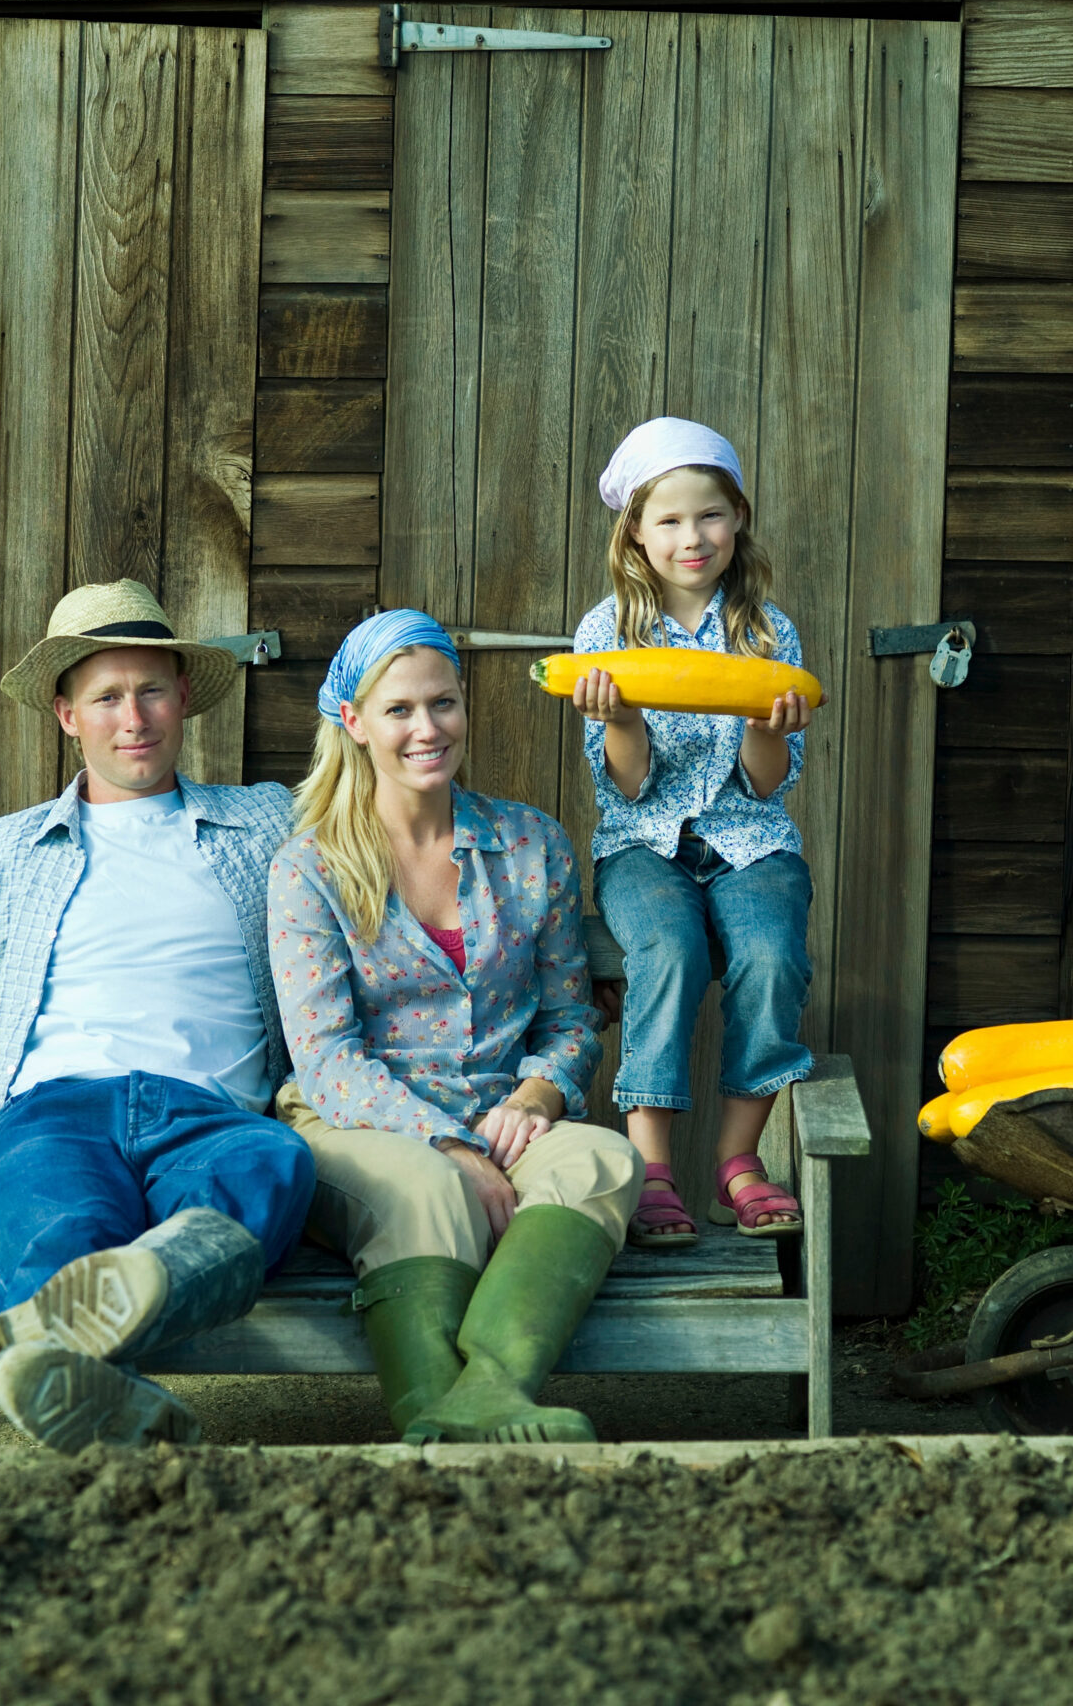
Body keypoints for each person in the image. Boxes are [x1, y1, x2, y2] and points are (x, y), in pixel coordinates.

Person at [0, 580, 314, 1454]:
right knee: (45, 1219)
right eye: (106, 696)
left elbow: (394, 853)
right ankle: (110, 1365)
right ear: (68, 715)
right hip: (58, 1109)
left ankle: (77, 1349)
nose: (134, 717)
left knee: (271, 1165)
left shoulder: (267, 824)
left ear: (185, 697)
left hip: (214, 1113)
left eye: (151, 689)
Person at [268, 611, 643, 1444]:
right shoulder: (311, 867)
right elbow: (328, 1062)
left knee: (603, 1158)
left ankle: (491, 1395)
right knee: (430, 1190)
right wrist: (452, 1146)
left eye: (442, 703)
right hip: (358, 1123)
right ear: (354, 722)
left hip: (505, 1111)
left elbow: (571, 1015)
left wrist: (542, 1094)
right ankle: (431, 1423)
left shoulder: (531, 843)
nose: (426, 729)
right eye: (399, 710)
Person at [571, 416, 815, 1249]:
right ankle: (651, 1168)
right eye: (668, 520)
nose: (691, 537)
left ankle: (738, 1161)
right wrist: (623, 719)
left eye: (708, 515)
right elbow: (629, 785)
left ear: (737, 516)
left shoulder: (768, 633)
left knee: (771, 954)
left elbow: (771, 781)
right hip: (643, 845)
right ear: (635, 532)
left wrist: (767, 722)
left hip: (752, 840)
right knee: (668, 951)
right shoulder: (605, 638)